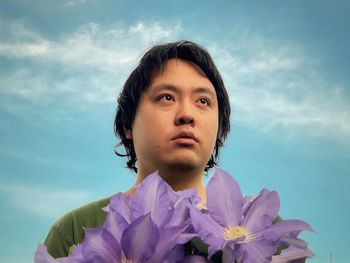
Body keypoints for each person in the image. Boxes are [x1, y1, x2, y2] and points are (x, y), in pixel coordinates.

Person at [43, 40, 231, 258]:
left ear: (219, 127)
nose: (187, 114)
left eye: (203, 101)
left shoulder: (271, 242)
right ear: (127, 125)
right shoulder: (74, 232)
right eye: (167, 97)